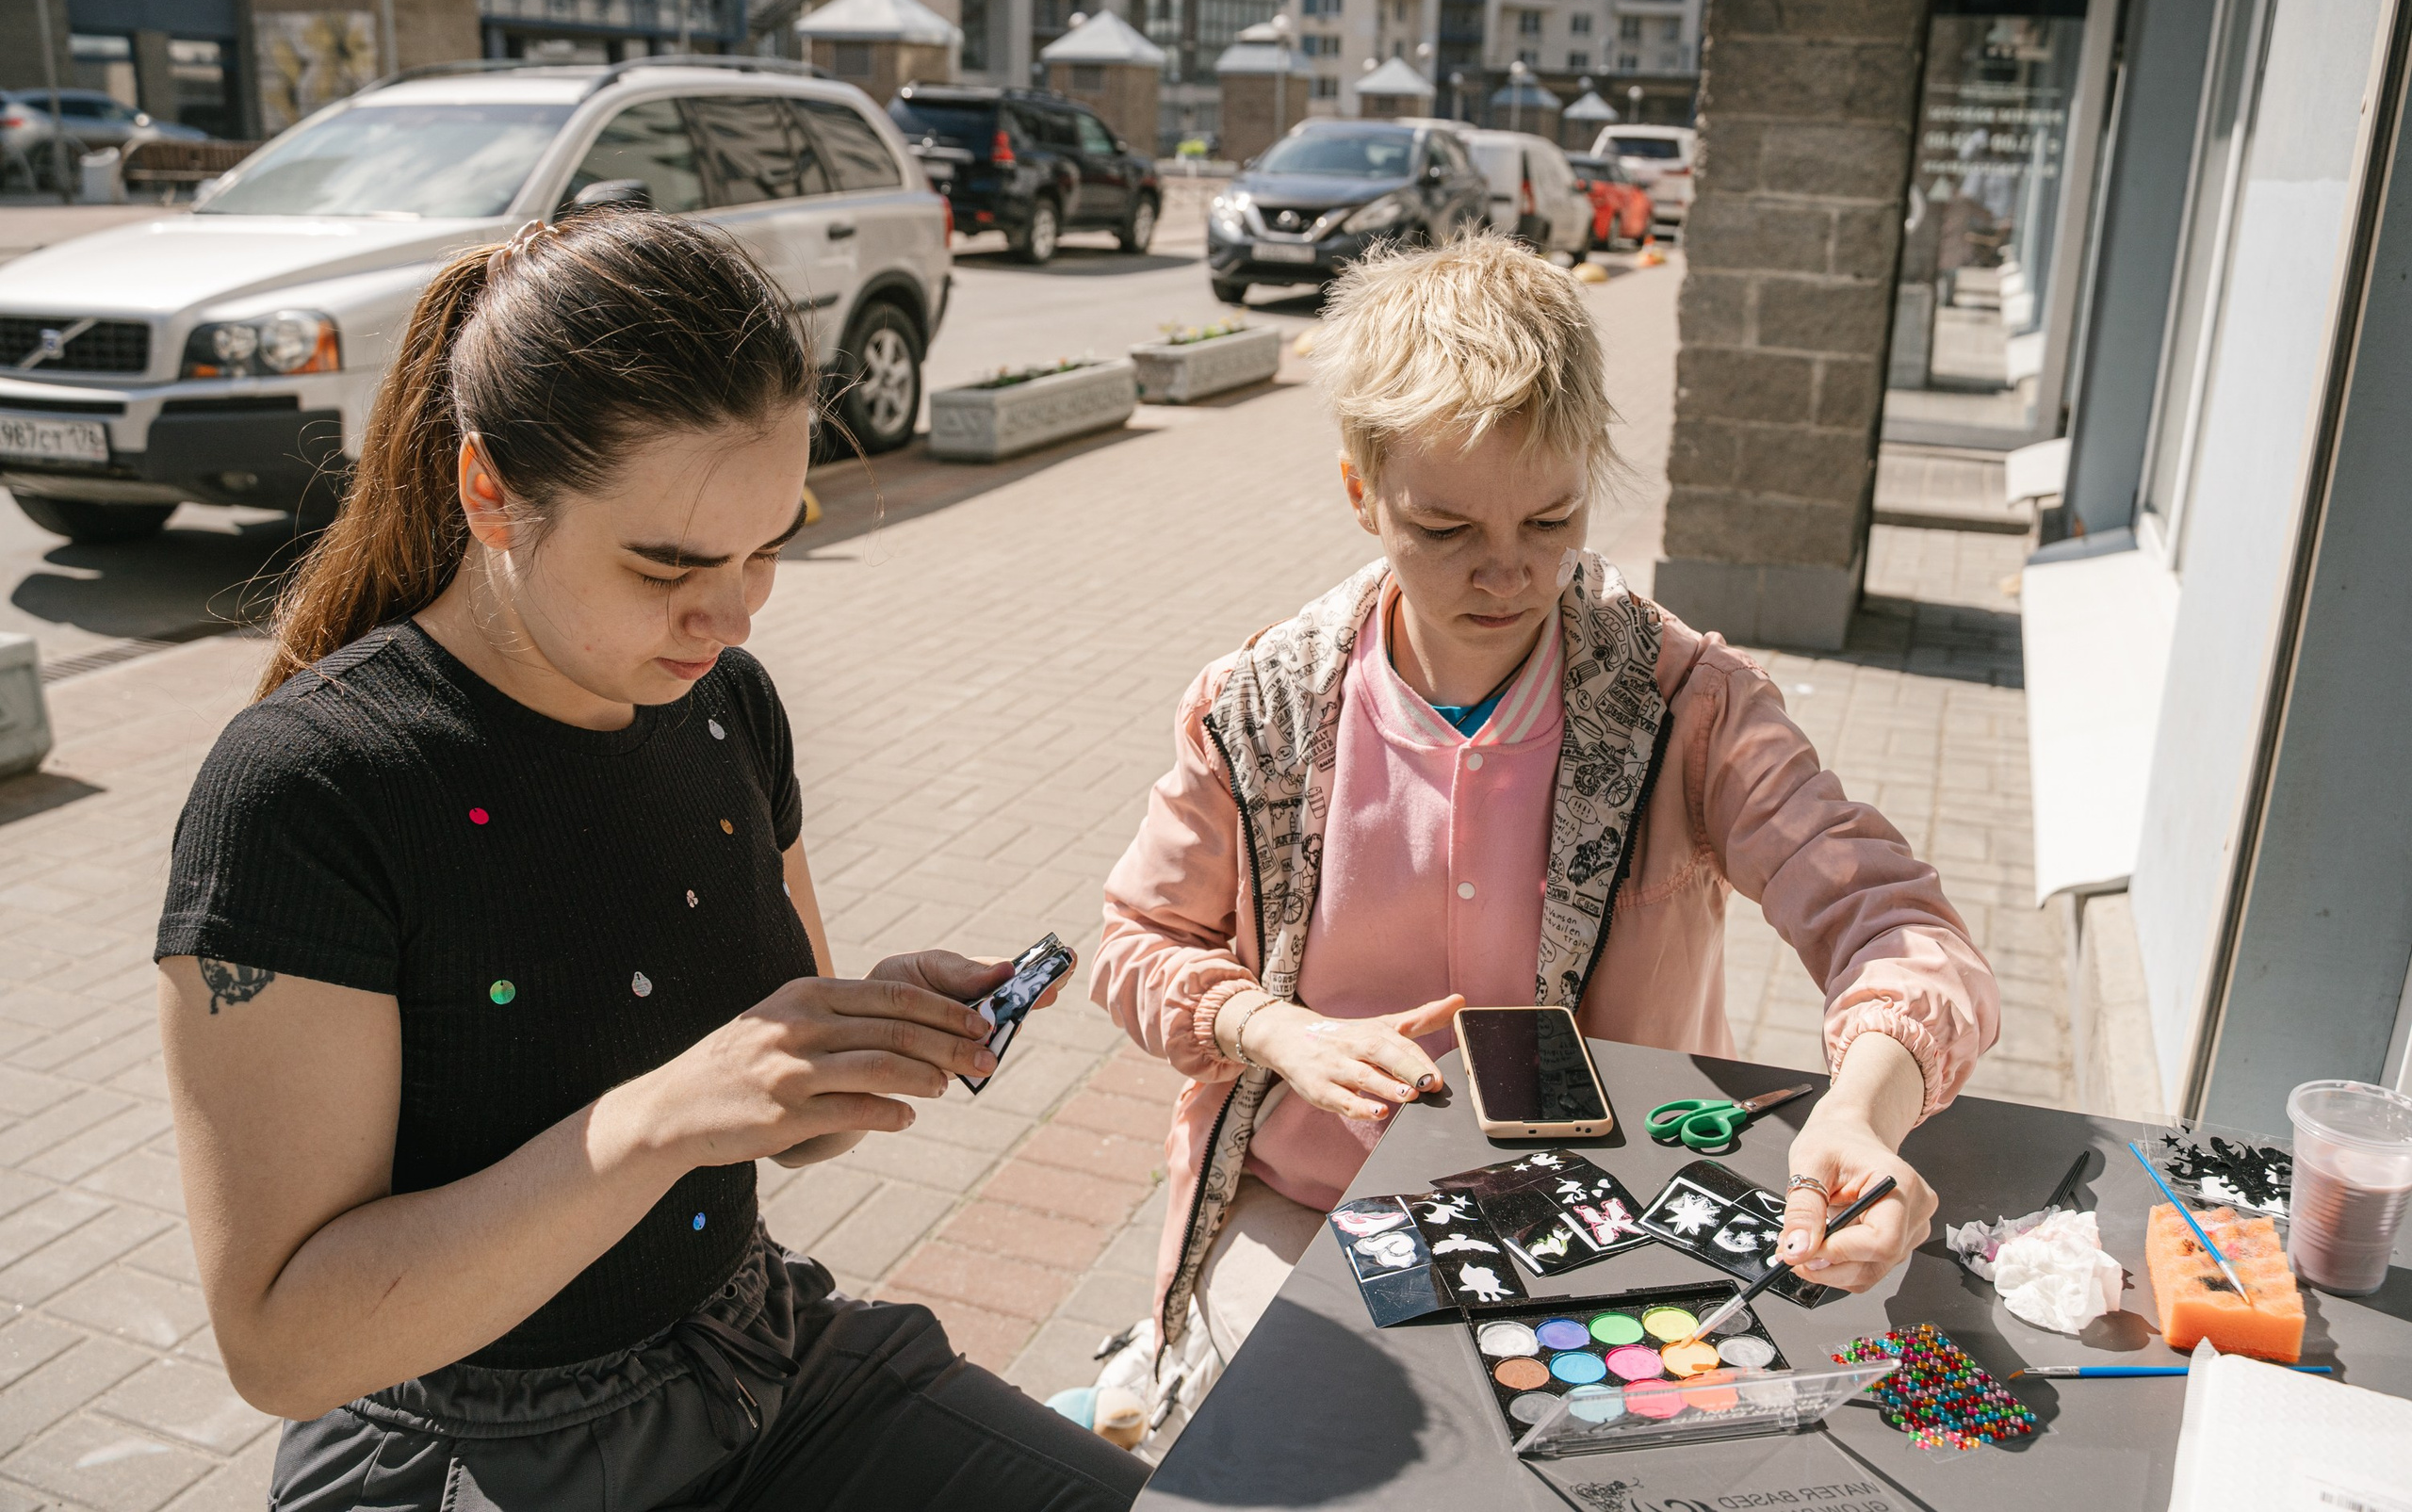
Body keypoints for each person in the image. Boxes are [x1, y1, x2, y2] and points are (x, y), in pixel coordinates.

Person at [154, 209, 1149, 1512]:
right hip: (477, 1454)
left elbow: (783, 1135)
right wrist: (657, 1124)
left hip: (759, 1358)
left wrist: (853, 1042)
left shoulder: (730, 705)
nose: (731, 616)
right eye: (666, 567)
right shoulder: (309, 791)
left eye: (768, 548)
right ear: (488, 491)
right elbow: (281, 1346)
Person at [1078, 234, 1999, 1449]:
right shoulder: (1261, 710)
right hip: (1311, 1203)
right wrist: (1273, 1029)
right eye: (1446, 527)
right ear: (1362, 490)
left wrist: (1861, 1113)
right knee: (1285, 1458)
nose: (1506, 571)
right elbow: (1137, 940)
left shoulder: (1685, 703)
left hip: (1612, 1212)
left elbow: (1896, 928)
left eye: (1552, 517)